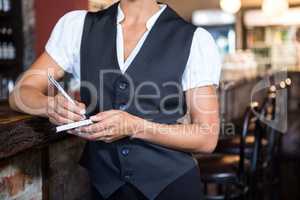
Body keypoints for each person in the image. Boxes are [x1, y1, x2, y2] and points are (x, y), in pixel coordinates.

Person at [9, 0, 221, 199]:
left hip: (171, 188)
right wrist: (49, 106)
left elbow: (206, 137)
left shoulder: (193, 39)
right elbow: (20, 92)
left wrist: (134, 126)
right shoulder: (78, 27)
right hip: (105, 190)